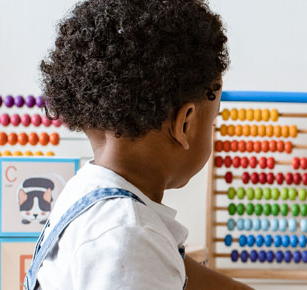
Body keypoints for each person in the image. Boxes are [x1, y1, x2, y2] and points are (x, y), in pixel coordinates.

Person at [23, 0, 249, 289]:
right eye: (213, 120)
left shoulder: (92, 194)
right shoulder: (127, 236)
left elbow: (184, 272)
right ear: (185, 125)